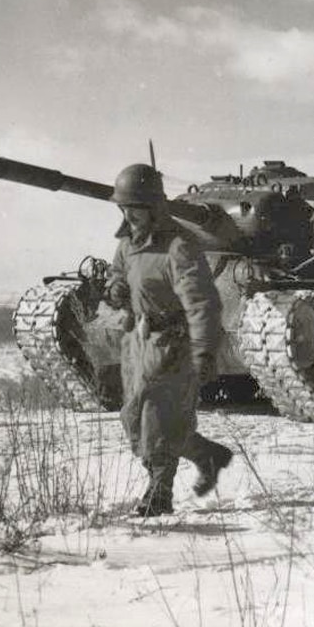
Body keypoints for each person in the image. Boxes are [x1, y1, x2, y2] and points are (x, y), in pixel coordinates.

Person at [105, 163, 235, 517]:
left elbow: (201, 302)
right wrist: (116, 288)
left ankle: (159, 494)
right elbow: (119, 273)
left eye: (135, 208)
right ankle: (209, 456)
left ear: (154, 207)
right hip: (138, 341)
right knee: (134, 419)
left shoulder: (180, 246)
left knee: (157, 420)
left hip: (173, 345)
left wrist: (205, 351)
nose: (128, 215)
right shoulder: (128, 243)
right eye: (124, 208)